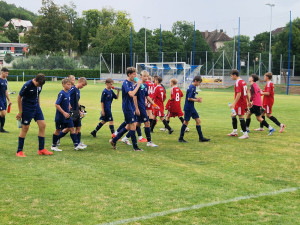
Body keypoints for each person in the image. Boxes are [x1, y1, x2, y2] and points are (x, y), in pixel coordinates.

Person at [16, 74, 53, 157]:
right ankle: (19, 151)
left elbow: (38, 94)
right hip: (27, 108)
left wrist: (38, 106)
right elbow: (19, 97)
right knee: (25, 128)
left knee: (43, 125)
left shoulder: (40, 84)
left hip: (36, 107)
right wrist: (20, 112)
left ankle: (41, 149)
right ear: (35, 80)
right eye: (38, 84)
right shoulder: (27, 85)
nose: (39, 86)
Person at [121, 71, 158, 147]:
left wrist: (153, 104)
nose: (146, 78)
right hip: (139, 108)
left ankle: (125, 138)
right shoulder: (138, 85)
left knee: (136, 124)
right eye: (144, 76)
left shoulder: (145, 85)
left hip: (142, 107)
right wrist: (137, 109)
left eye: (147, 76)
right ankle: (149, 142)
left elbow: (147, 96)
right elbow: (134, 97)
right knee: (147, 123)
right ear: (140, 76)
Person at [109, 67, 143, 151]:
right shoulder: (126, 83)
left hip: (131, 107)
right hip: (127, 107)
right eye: (134, 74)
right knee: (133, 126)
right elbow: (131, 94)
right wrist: (138, 85)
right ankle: (135, 147)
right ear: (129, 74)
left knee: (128, 127)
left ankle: (114, 140)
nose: (136, 76)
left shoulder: (131, 83)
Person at [51, 78, 85, 151]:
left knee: (72, 128)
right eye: (68, 84)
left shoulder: (68, 93)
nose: (69, 86)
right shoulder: (61, 93)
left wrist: (70, 107)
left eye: (70, 84)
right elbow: (57, 104)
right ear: (63, 84)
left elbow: (69, 101)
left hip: (68, 115)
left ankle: (76, 145)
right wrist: (63, 112)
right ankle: (53, 145)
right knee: (58, 130)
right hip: (60, 116)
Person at [58, 76, 88, 148]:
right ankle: (57, 138)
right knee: (69, 128)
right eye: (82, 85)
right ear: (79, 82)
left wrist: (80, 109)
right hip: (72, 112)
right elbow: (68, 99)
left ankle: (78, 143)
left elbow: (76, 101)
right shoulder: (72, 89)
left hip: (77, 111)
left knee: (78, 127)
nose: (83, 86)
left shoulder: (78, 90)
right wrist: (70, 109)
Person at [178, 75, 210, 143]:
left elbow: (192, 97)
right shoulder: (192, 88)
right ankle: (180, 138)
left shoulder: (194, 87)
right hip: (188, 107)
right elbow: (189, 98)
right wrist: (197, 100)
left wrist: (197, 98)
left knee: (198, 120)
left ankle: (201, 138)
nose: (199, 84)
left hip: (192, 107)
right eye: (199, 83)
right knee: (186, 122)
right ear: (195, 81)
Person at [227, 69, 250, 139]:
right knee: (233, 115)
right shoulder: (243, 81)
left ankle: (245, 134)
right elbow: (246, 92)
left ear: (235, 75)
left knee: (241, 117)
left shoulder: (238, 82)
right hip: (242, 102)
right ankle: (234, 131)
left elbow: (239, 94)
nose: (231, 77)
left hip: (240, 103)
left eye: (231, 76)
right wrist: (248, 101)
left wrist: (233, 103)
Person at [0, 67, 11, 133]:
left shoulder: (5, 80)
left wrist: (9, 100)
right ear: (2, 72)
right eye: (6, 73)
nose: (7, 74)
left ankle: (1, 128)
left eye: (7, 73)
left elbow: (6, 91)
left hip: (4, 99)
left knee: (3, 114)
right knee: (3, 113)